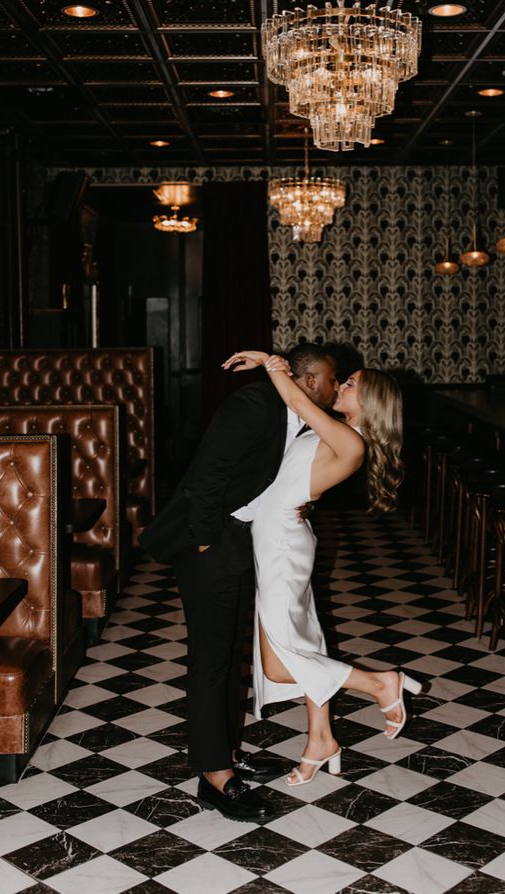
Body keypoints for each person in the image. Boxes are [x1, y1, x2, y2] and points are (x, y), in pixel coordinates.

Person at [138, 343, 338, 822]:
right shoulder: (253, 405)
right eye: (333, 379)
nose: (335, 387)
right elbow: (208, 475)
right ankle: (213, 776)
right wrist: (208, 541)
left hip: (247, 539)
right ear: (310, 381)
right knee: (211, 658)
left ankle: (226, 752)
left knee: (230, 656)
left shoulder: (297, 414)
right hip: (213, 540)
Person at [222, 349, 427, 786]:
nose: (341, 386)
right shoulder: (340, 432)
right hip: (281, 539)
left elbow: (298, 402)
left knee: (280, 666)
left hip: (280, 544)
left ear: (370, 403)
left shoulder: (351, 441)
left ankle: (380, 684)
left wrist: (271, 363)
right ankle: (320, 739)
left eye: (351, 384)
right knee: (303, 643)